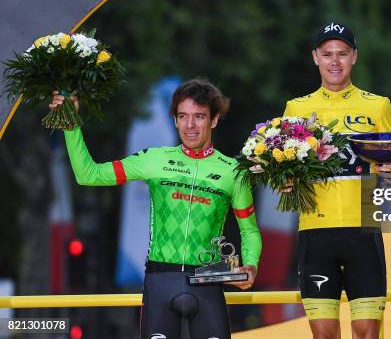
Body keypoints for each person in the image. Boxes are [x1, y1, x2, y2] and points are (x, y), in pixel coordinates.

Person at [49, 78, 262, 339]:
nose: (190, 125)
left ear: (214, 120)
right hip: (161, 281)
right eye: (182, 116)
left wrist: (250, 266)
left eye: (199, 117)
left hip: (208, 281)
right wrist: (71, 124)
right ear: (174, 120)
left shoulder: (234, 172)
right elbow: (88, 174)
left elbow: (249, 231)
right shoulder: (154, 159)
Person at [282, 21, 391, 339]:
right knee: (323, 336)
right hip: (315, 234)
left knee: (366, 333)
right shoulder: (296, 108)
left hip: (363, 231)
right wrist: (285, 181)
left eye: (342, 54)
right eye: (327, 54)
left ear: (354, 57)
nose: (335, 61)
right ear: (315, 58)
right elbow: (285, 169)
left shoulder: (378, 106)